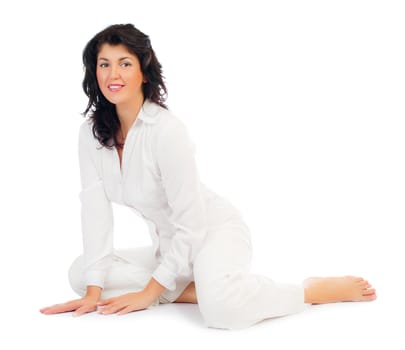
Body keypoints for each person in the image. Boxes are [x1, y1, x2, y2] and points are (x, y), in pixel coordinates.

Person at [40, 23, 376, 330]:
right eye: (104, 64)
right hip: (169, 247)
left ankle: (306, 291)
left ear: (144, 72)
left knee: (222, 312)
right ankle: (191, 290)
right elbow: (95, 211)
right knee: (80, 273)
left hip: (212, 232)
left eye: (125, 63)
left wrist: (149, 293)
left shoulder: (167, 131)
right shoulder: (91, 134)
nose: (113, 73)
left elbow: (192, 224)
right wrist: (92, 293)